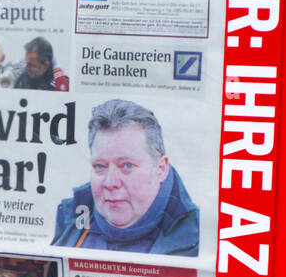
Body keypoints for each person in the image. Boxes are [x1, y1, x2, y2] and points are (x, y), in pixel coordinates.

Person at [52, 98, 199, 256]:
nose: (110, 182)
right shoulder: (69, 217)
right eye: (100, 166)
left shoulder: (197, 236)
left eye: (127, 166)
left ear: (161, 169)